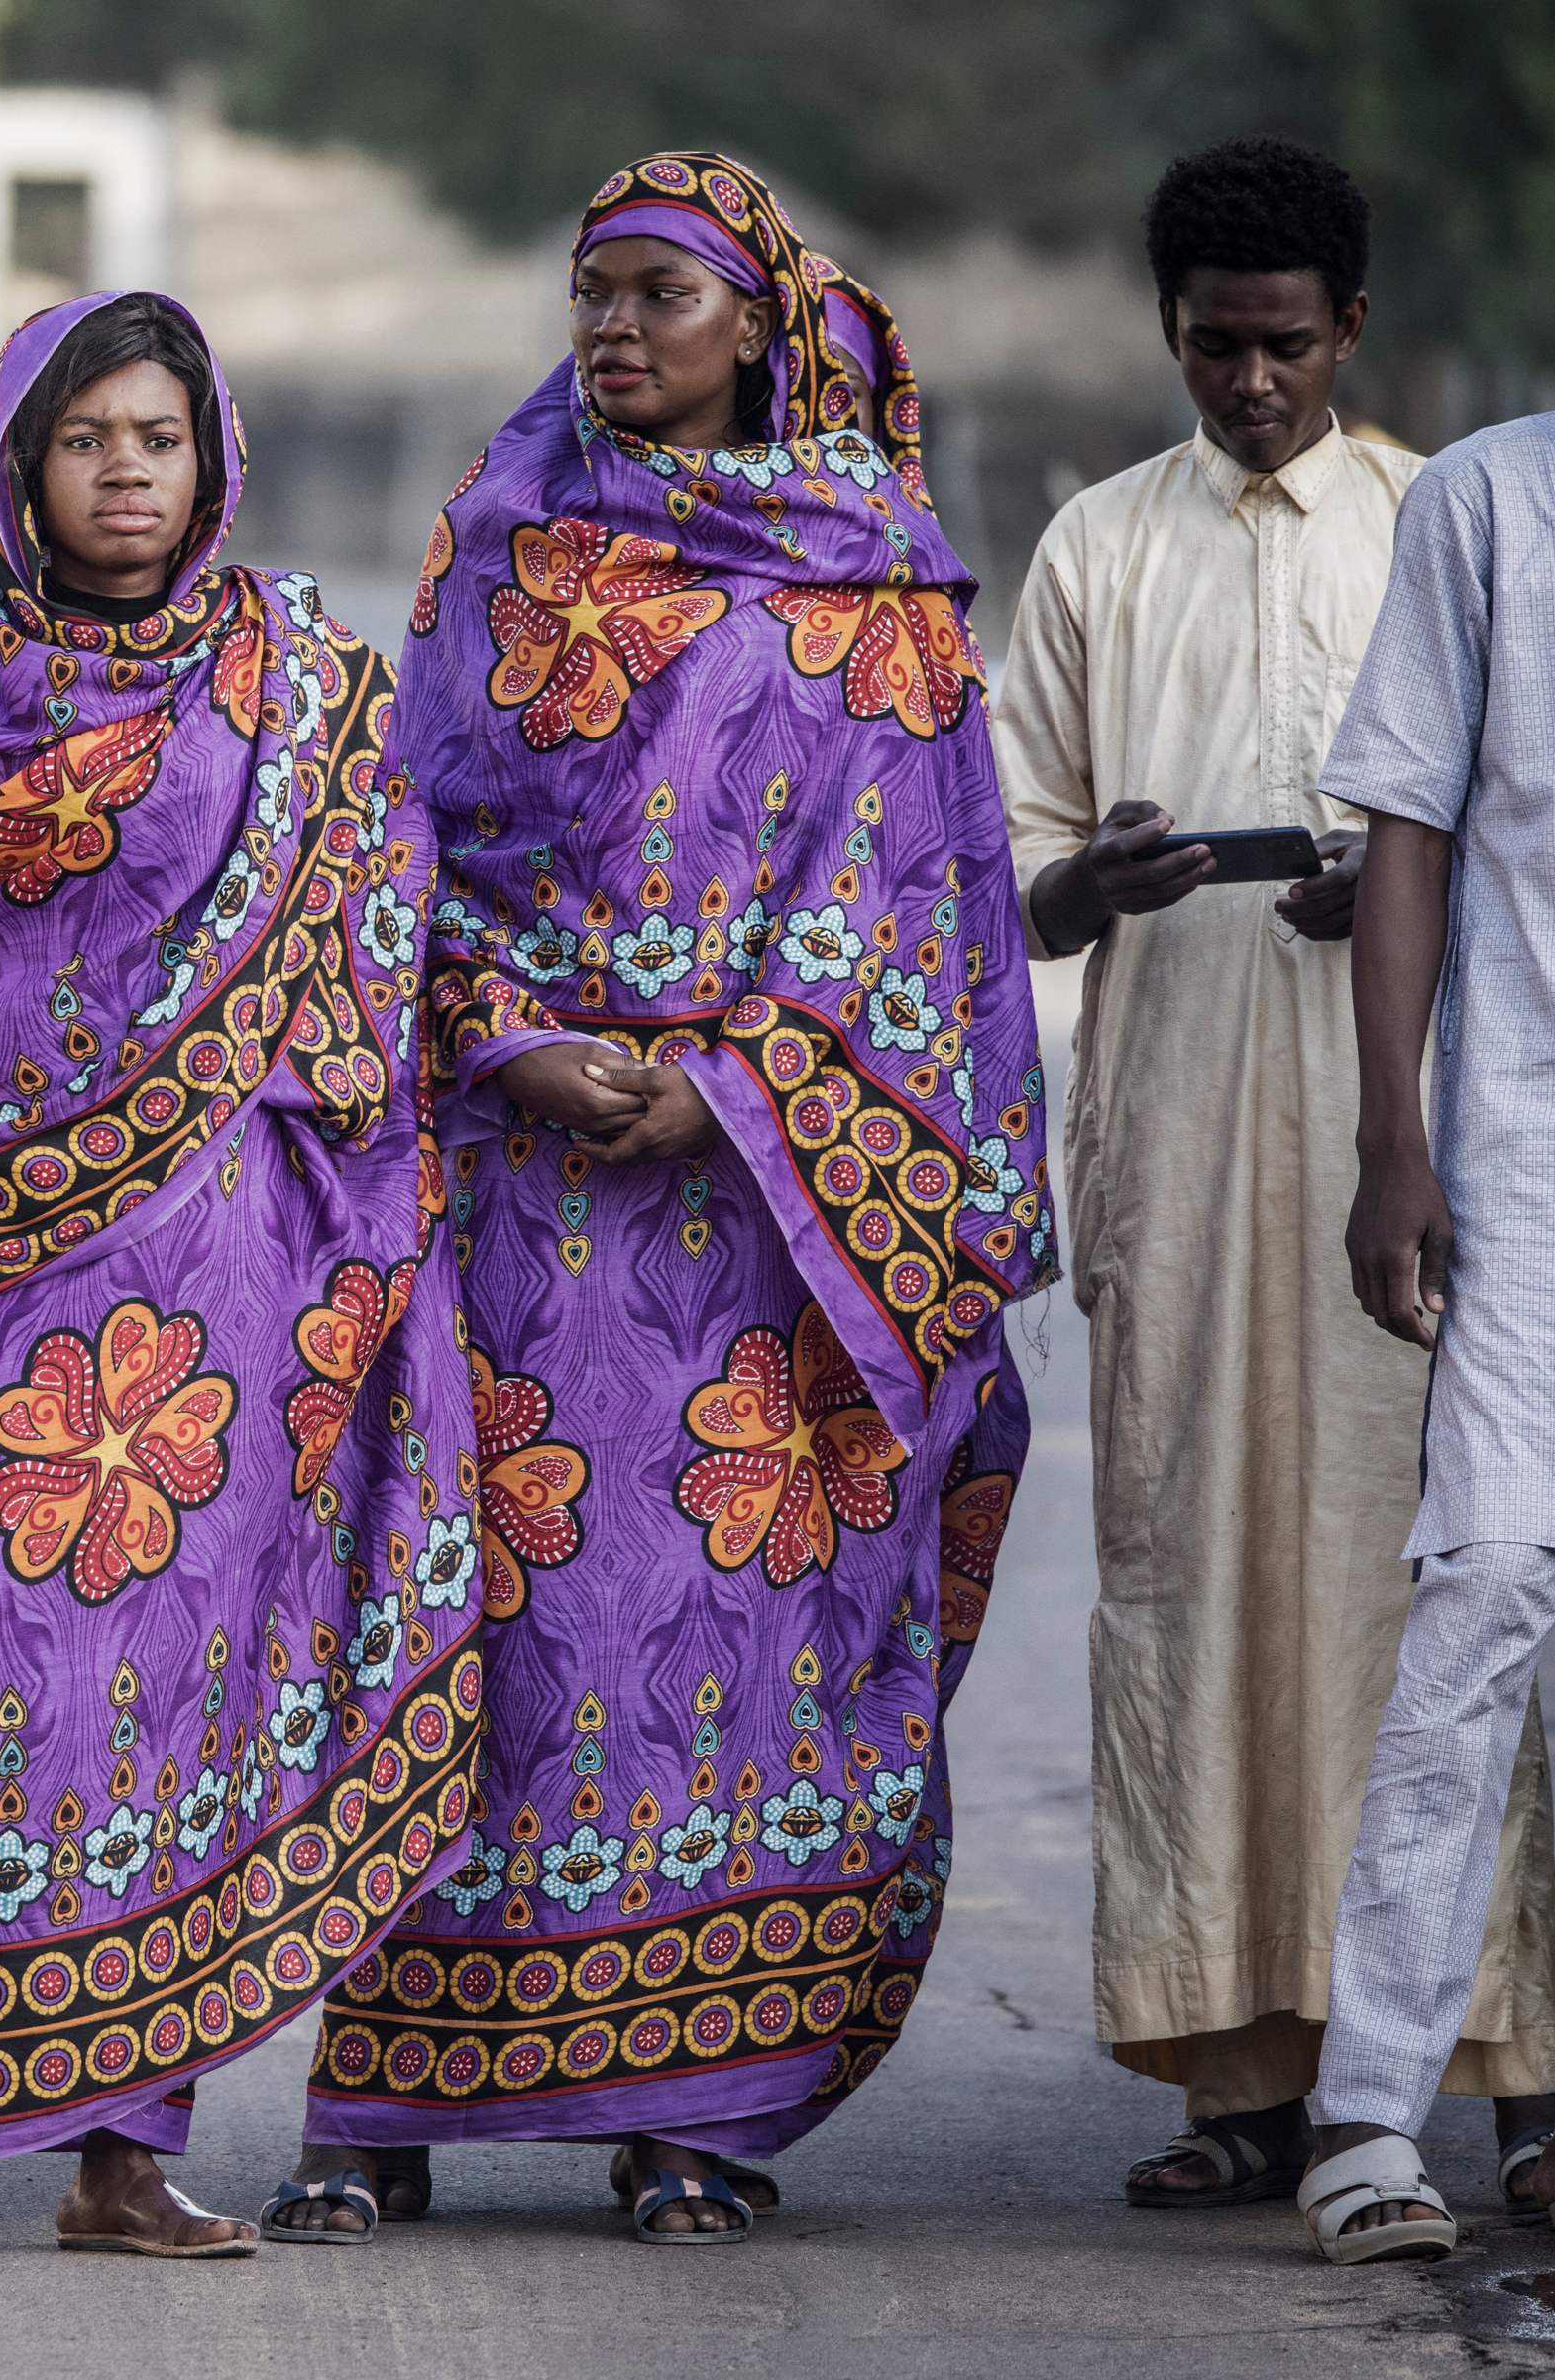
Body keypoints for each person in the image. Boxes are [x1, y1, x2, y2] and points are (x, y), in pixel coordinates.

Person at [0, 290, 486, 2267]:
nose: (127, 470)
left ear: (211, 460)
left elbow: (384, 932)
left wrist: (319, 1168)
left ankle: (126, 2160)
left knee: (179, 1714)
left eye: (160, 437)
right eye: (85, 439)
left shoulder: (304, 679)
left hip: (231, 1276)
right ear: (13, 465)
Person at [293, 153, 1048, 2244]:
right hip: (515, 1198)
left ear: (763, 329)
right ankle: (381, 2111)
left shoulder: (873, 591)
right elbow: (397, 855)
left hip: (768, 1235)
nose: (616, 330)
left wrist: (736, 1085)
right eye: (591, 293)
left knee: (745, 1632)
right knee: (480, 1626)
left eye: (661, 296)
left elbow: (939, 924)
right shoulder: (500, 549)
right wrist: (511, 1038)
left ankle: (701, 2109)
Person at [994, 140, 1555, 2218]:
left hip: (1411, 1118)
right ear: (1171, 334)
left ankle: (1498, 2050)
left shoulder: (1454, 514)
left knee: (1444, 1588)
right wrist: (1094, 879)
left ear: (1352, 335)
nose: (1249, 381)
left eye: (1286, 345)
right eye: (1217, 345)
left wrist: (1383, 892)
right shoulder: (1094, 546)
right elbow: (1012, 868)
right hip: (1182, 1101)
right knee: (1194, 1573)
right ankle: (1234, 2065)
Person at [1290, 405, 1555, 2264]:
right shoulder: (1491, 500)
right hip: (1523, 1151)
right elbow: (1409, 828)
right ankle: (1368, 2113)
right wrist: (1398, 1141)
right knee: (1485, 1583)